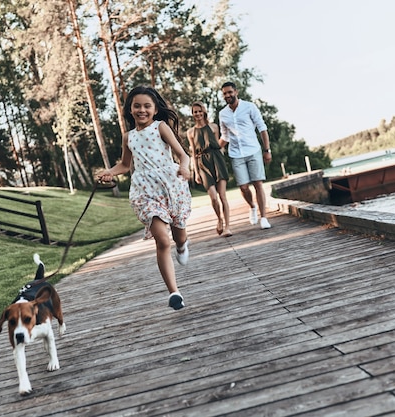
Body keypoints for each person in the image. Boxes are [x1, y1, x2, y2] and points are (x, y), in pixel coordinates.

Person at [98, 86, 191, 310]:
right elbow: (125, 164)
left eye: (147, 106)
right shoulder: (128, 137)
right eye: (137, 106)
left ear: (155, 108)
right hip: (145, 192)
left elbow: (182, 155)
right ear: (130, 109)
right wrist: (110, 172)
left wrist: (185, 167)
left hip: (171, 186)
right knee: (162, 240)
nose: (142, 110)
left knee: (179, 233)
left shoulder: (161, 127)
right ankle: (174, 292)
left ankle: (182, 245)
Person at [218, 81, 272, 229]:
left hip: (253, 150)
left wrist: (267, 150)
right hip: (236, 154)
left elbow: (262, 128)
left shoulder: (249, 107)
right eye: (225, 93)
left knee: (258, 184)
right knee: (243, 187)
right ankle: (252, 206)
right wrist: (211, 148)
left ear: (236, 92)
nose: (228, 95)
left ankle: (263, 218)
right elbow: (225, 137)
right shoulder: (223, 114)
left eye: (230, 92)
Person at [186, 101, 232, 237]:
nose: (198, 114)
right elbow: (193, 154)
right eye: (195, 111)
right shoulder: (191, 132)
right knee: (213, 197)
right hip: (202, 164)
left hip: (217, 160)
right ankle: (219, 220)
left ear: (204, 112)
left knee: (222, 196)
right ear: (192, 114)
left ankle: (228, 227)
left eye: (200, 111)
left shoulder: (213, 127)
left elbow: (219, 144)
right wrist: (196, 172)